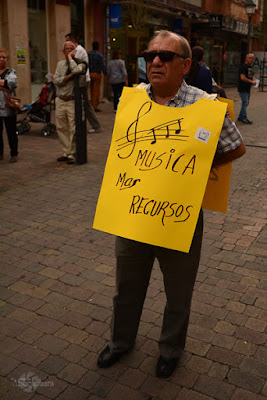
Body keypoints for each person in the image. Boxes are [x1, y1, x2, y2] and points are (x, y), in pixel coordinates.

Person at [97, 30, 246, 379]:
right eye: (150, 57)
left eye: (165, 56)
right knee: (126, 287)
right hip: (133, 214)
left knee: (178, 292)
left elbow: (236, 147)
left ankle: (170, 349)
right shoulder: (133, 99)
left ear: (185, 65)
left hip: (179, 217)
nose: (156, 62)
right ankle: (120, 343)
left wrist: (203, 167)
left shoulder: (204, 105)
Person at [54, 41, 87, 164]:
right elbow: (56, 81)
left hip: (72, 101)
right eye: (66, 49)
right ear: (63, 51)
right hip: (60, 100)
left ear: (75, 51)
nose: (68, 50)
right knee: (61, 128)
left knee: (73, 128)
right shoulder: (60, 64)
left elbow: (77, 71)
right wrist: (68, 77)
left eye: (71, 49)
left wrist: (70, 59)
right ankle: (66, 152)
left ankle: (72, 154)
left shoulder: (81, 63)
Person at [66, 33, 102, 133]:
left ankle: (92, 125)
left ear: (73, 41)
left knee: (83, 103)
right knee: (84, 103)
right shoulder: (77, 50)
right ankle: (90, 125)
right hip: (80, 79)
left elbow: (74, 66)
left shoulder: (79, 51)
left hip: (81, 80)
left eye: (68, 41)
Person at [0, 48, 18, 163]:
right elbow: (6, 84)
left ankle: (14, 153)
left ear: (7, 60)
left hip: (8, 106)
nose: (1, 59)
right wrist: (3, 83)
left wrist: (5, 84)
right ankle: (0, 153)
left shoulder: (11, 71)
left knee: (11, 131)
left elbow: (12, 84)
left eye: (4, 57)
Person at [88, 41, 107, 112]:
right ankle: (94, 105)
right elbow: (102, 65)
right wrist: (105, 73)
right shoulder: (99, 55)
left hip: (90, 73)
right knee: (96, 90)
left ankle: (92, 104)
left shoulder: (88, 54)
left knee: (91, 89)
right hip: (97, 73)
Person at [238, 53, 256, 124]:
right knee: (245, 102)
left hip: (248, 88)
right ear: (246, 58)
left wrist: (254, 80)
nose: (251, 60)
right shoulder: (243, 67)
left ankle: (240, 116)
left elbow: (251, 76)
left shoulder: (250, 67)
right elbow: (242, 77)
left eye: (252, 58)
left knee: (246, 103)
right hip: (243, 87)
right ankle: (244, 118)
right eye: (250, 58)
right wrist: (251, 81)